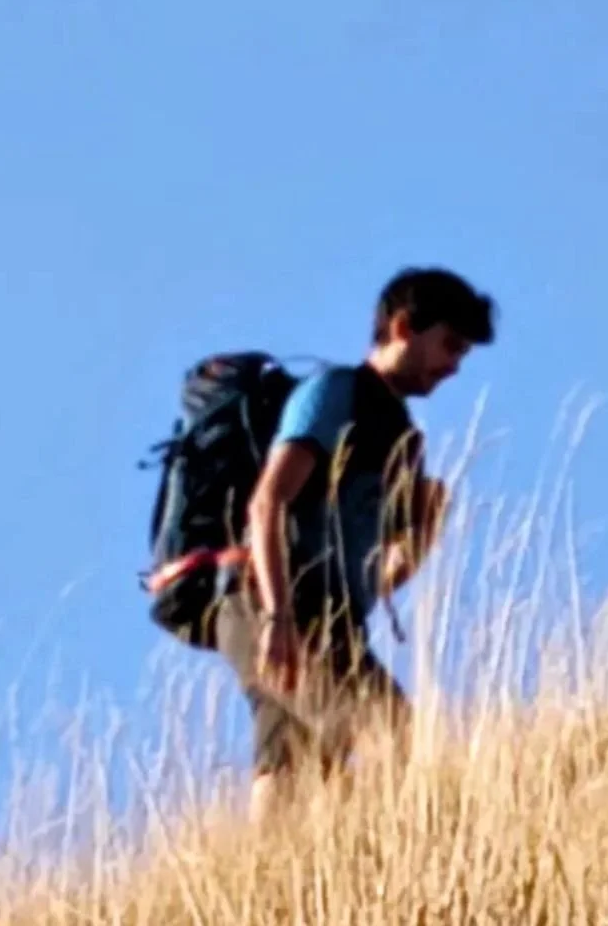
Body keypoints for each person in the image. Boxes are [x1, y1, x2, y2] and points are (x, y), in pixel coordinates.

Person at [213, 265, 497, 823]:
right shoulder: (334, 393)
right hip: (274, 602)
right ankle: (413, 850)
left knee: (290, 772)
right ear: (403, 327)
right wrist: (278, 617)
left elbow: (379, 579)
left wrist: (423, 532)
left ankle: (272, 876)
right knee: (394, 734)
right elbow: (267, 502)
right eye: (450, 345)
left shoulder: (404, 438)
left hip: (329, 619)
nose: (454, 367)